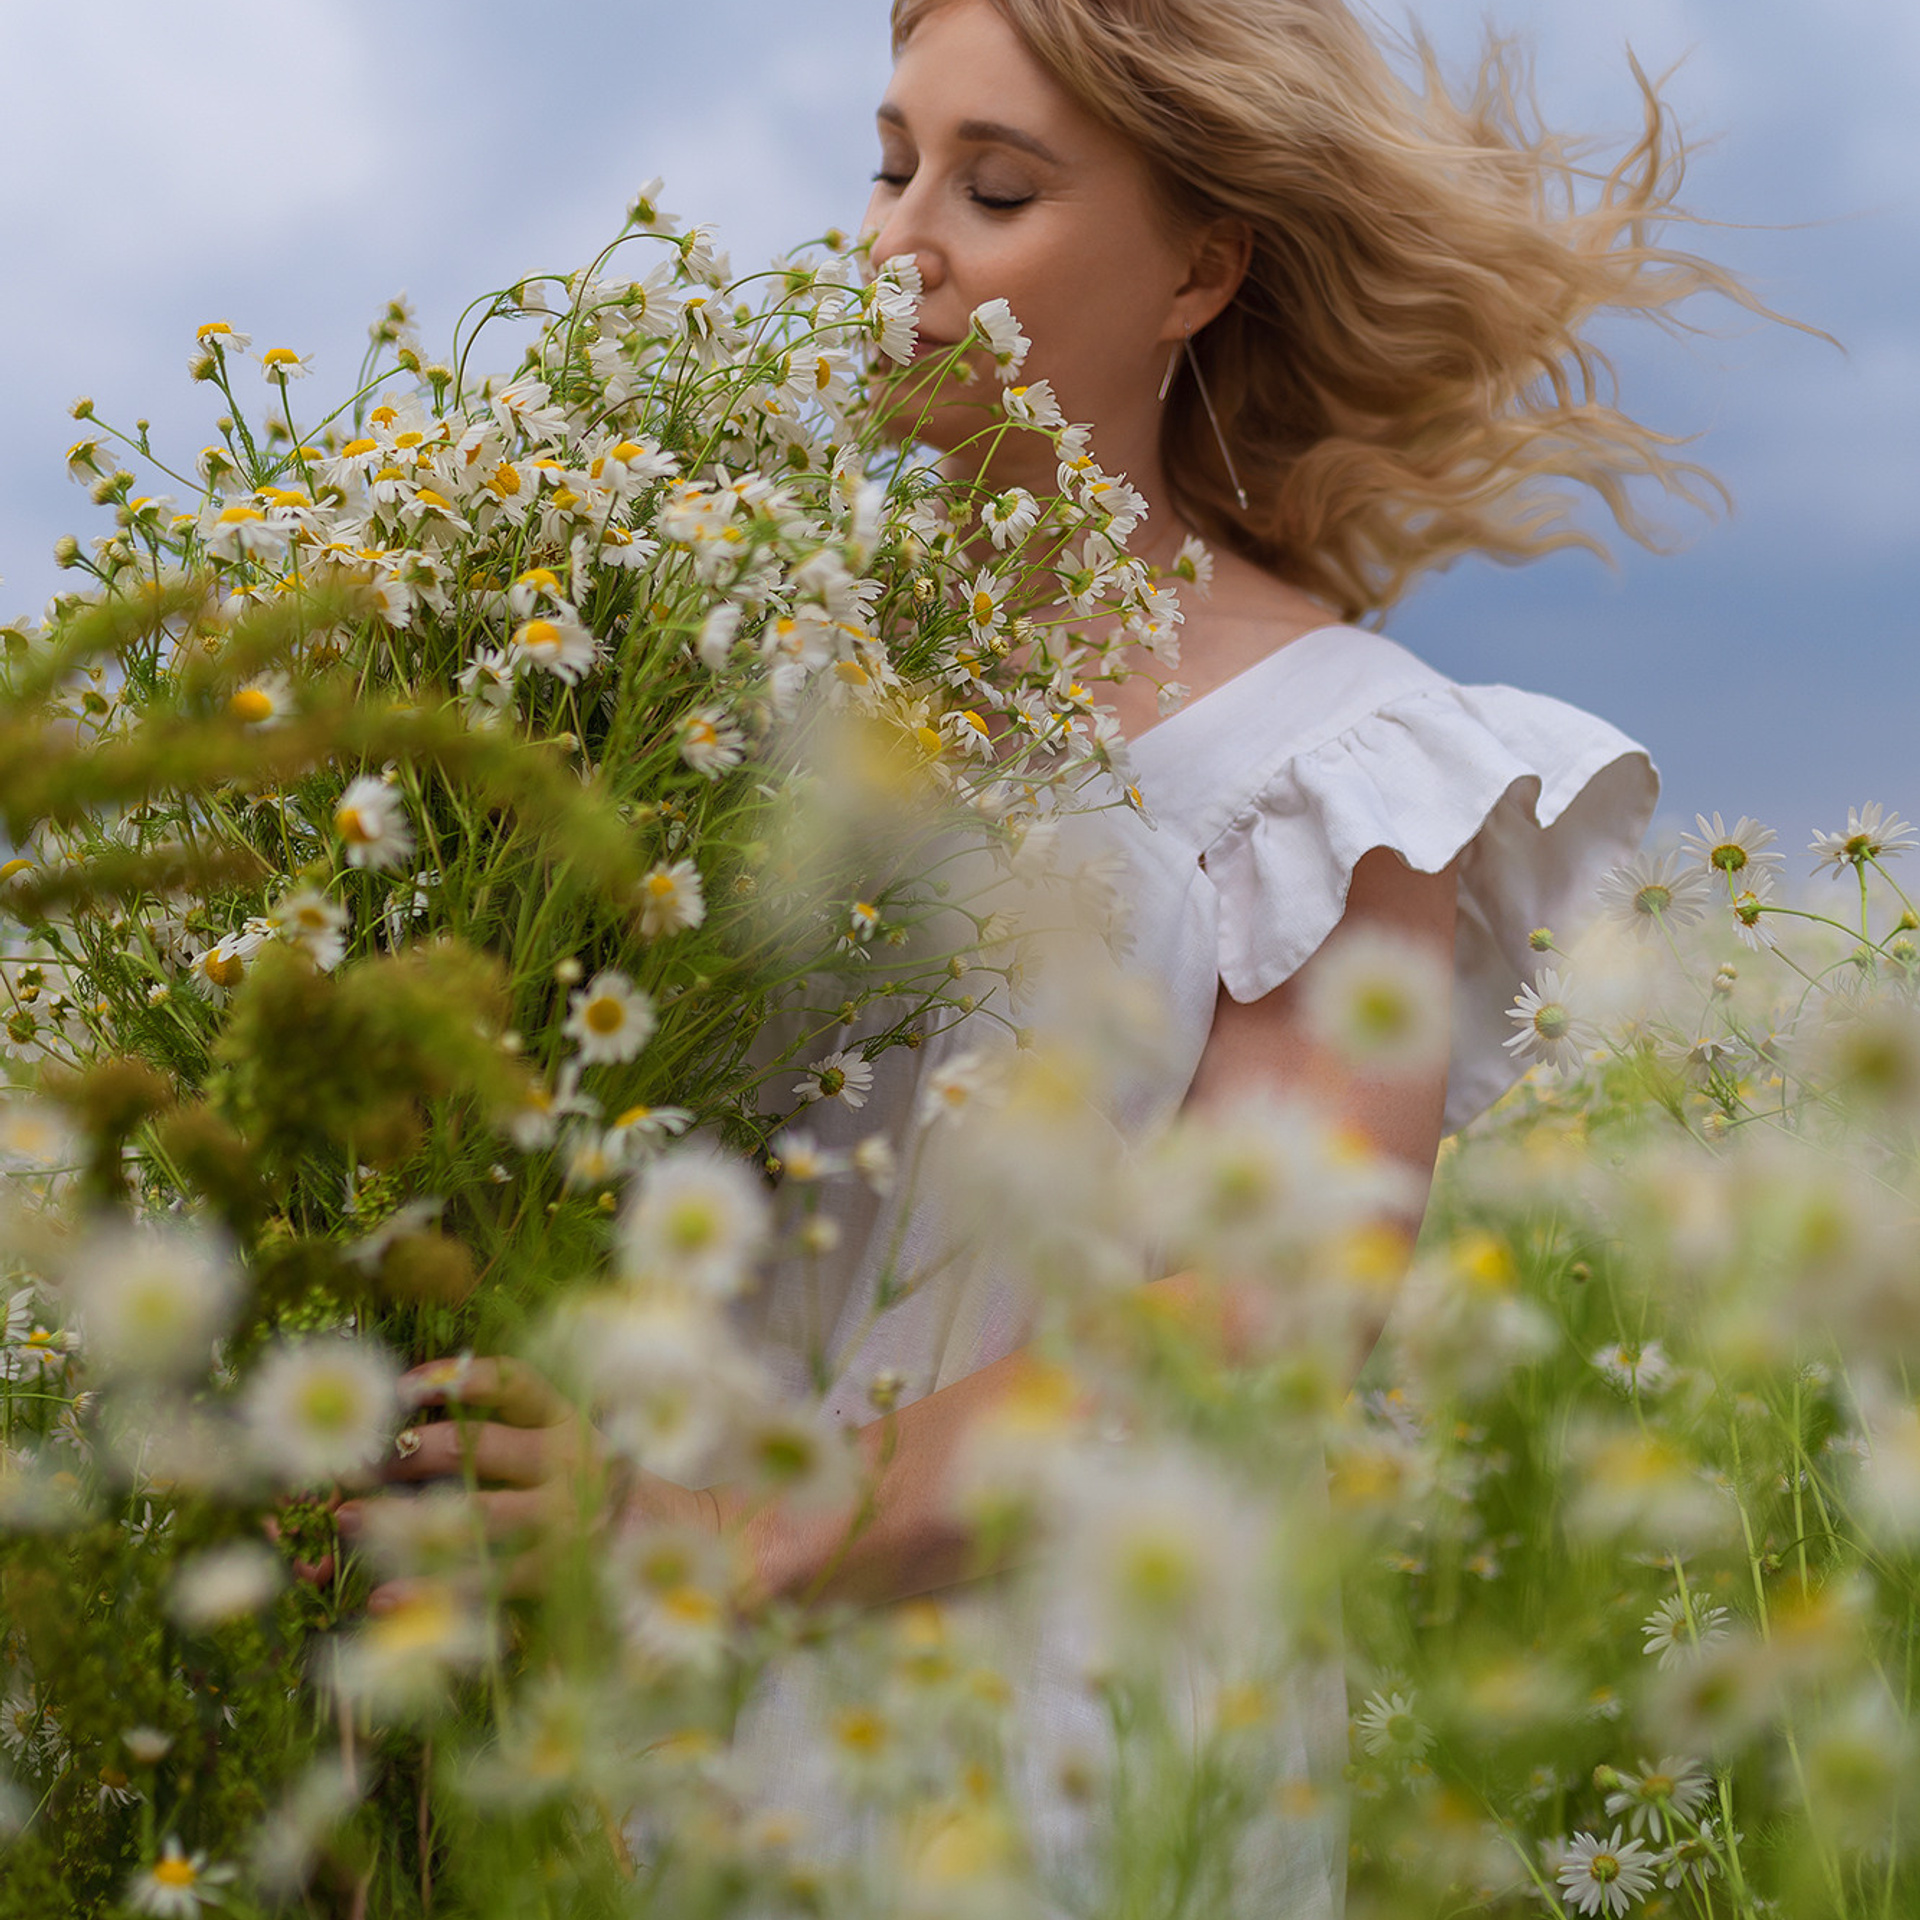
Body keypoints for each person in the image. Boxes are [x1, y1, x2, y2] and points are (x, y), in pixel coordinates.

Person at [345, 0, 1768, 1907]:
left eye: (995, 187)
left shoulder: (1337, 759)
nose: (899, 241)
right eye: (891, 162)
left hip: (1039, 1751)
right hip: (620, 1717)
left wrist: (696, 1525)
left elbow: (1253, 1328)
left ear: (1202, 268)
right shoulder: (698, 669)